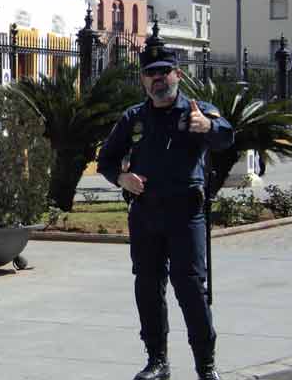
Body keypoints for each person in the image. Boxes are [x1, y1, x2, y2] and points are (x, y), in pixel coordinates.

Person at [97, 42, 234, 380]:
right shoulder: (134, 117)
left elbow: (227, 137)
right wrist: (122, 178)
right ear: (143, 80)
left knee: (190, 287)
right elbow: (106, 159)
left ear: (178, 74)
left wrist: (210, 128)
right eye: (151, 73)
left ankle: (207, 366)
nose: (158, 79)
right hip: (145, 214)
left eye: (164, 72)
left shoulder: (199, 112)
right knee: (147, 285)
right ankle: (157, 361)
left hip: (186, 215)